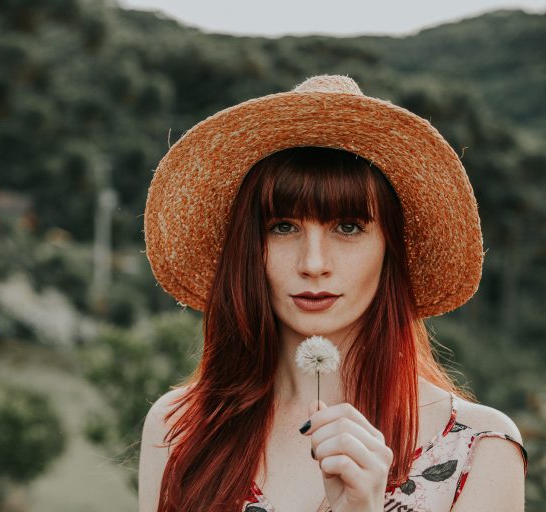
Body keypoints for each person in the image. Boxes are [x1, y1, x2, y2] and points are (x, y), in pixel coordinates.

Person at [138, 75, 528, 512]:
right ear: (249, 248)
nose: (313, 262)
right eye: (282, 227)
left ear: (391, 250)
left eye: (348, 227)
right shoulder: (181, 428)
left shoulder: (477, 452)